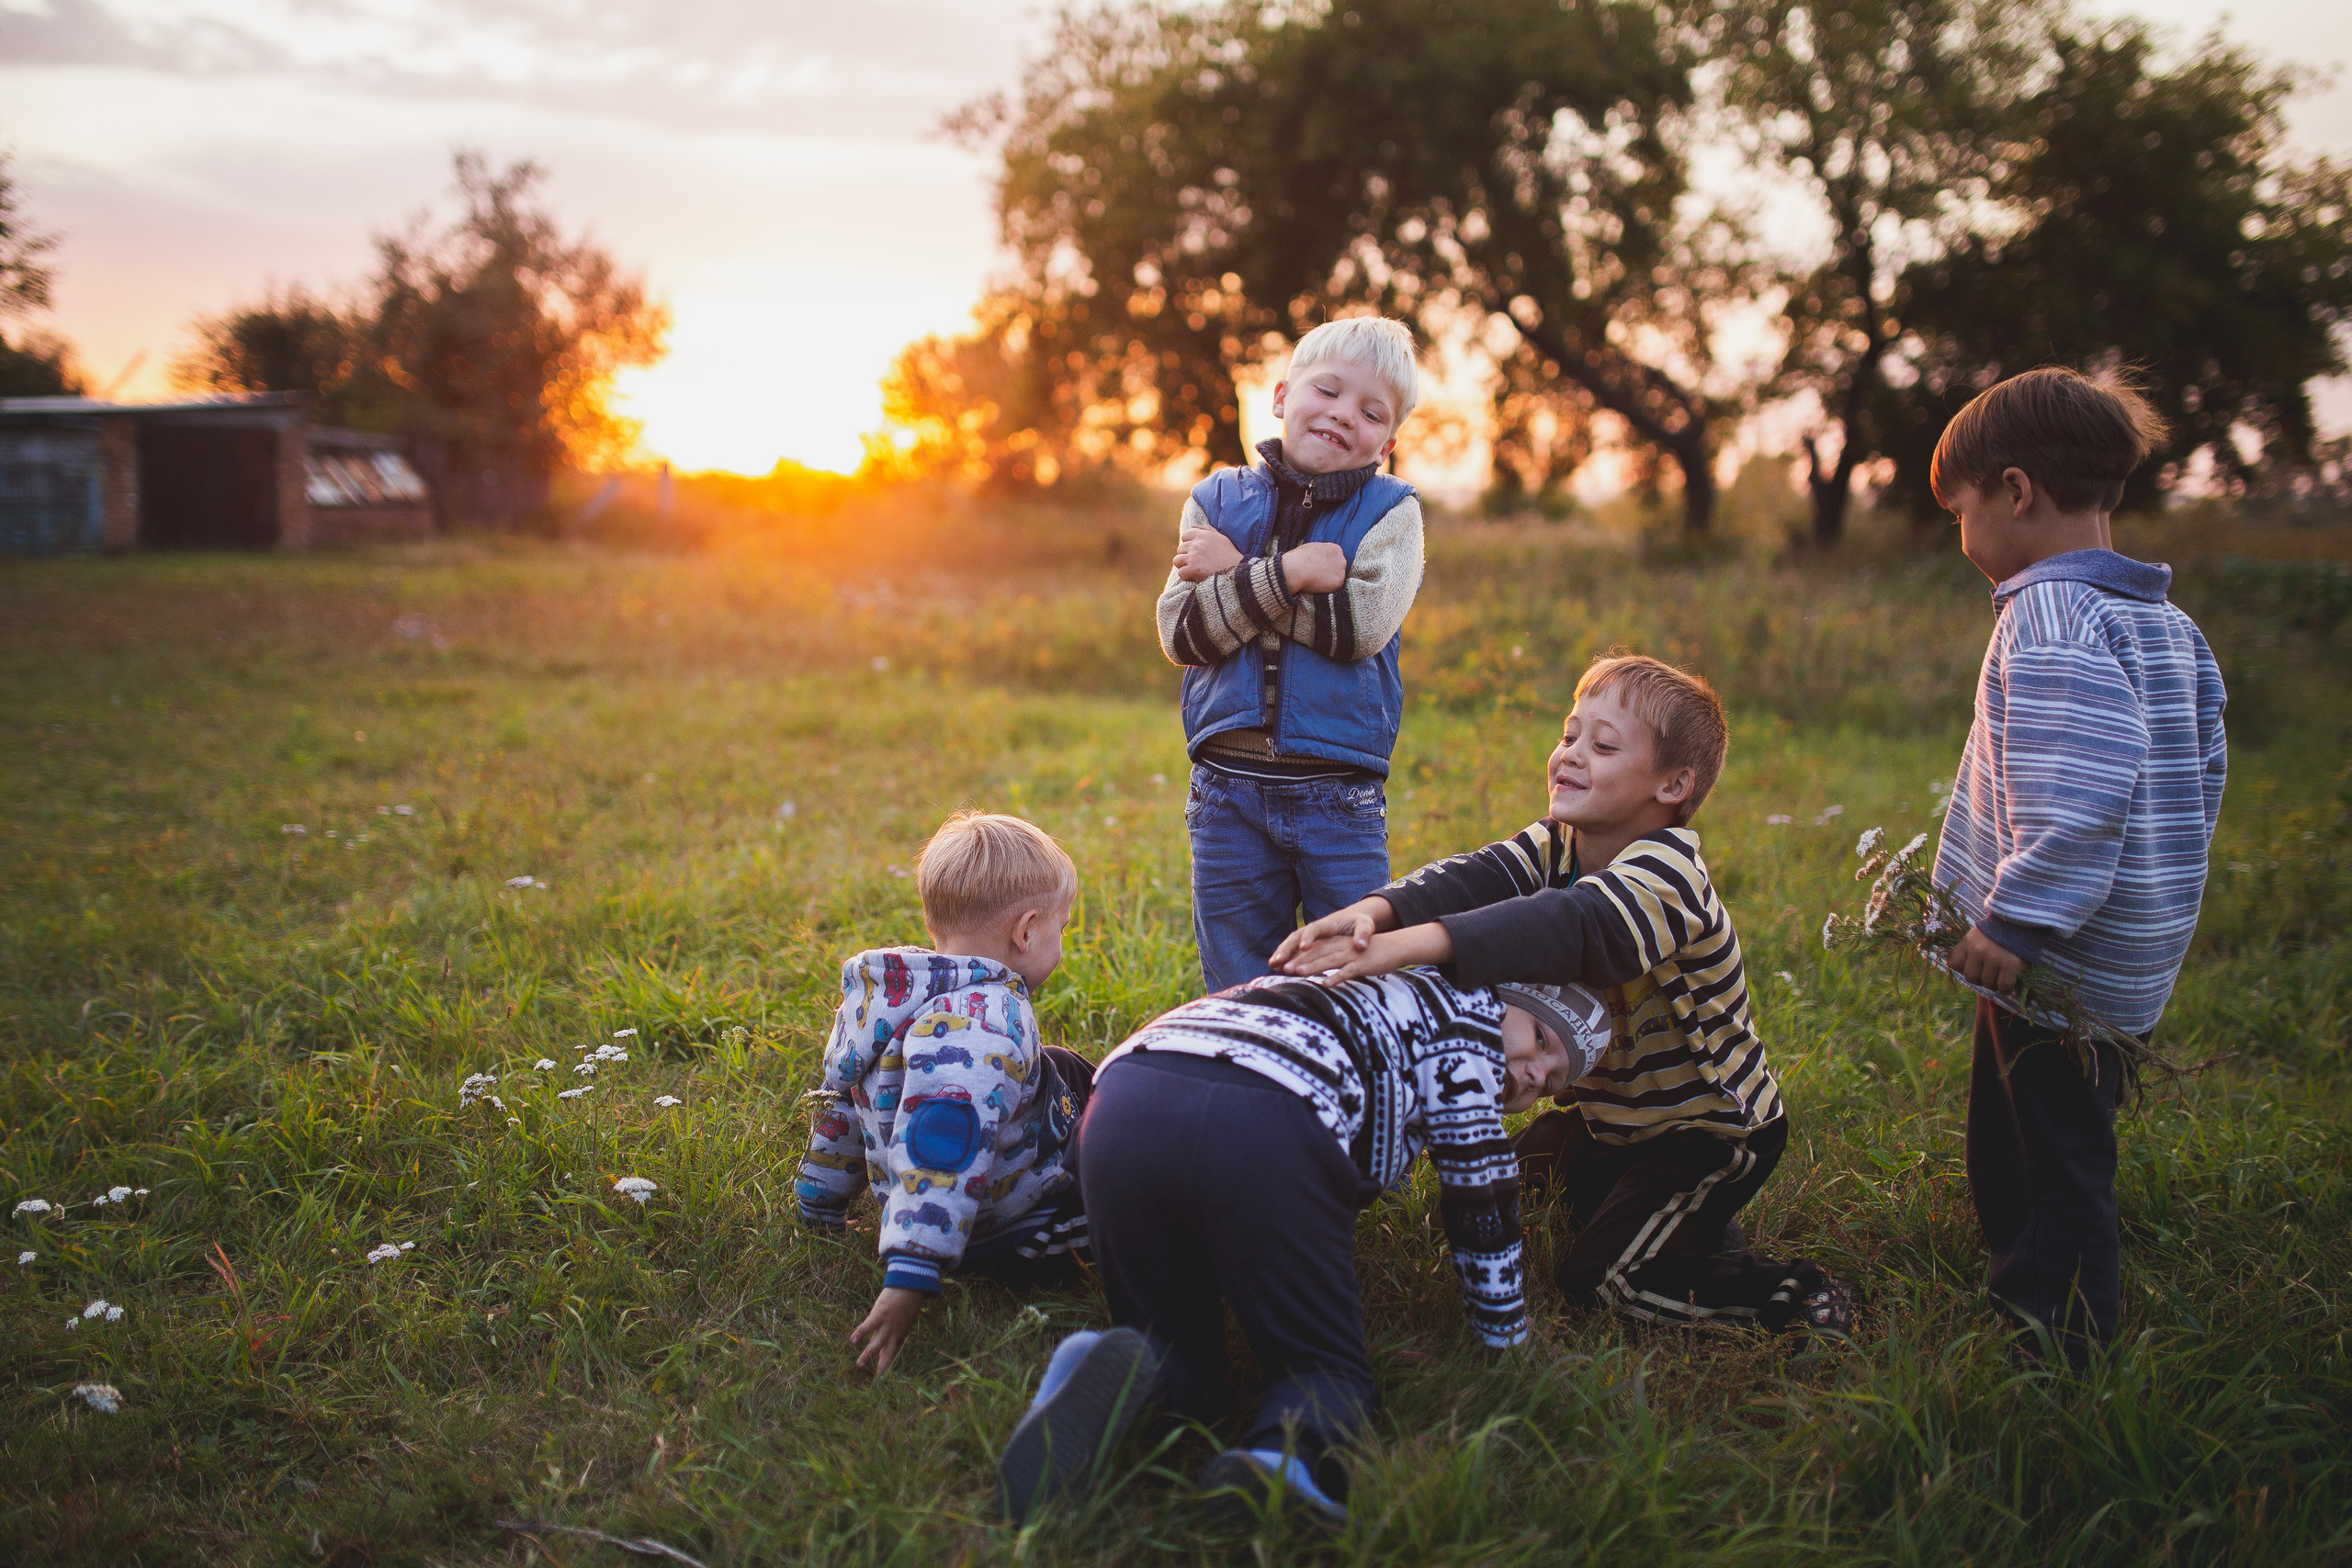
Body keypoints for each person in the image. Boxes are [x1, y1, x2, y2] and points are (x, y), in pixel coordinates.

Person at [1273, 654, 1859, 1336]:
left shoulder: (1671, 872)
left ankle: (1796, 1296)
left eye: (1603, 745)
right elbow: (1470, 879)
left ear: (1674, 783)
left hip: (1709, 1131)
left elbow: (1575, 928)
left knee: (1602, 1279)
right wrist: (1375, 912)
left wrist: (1402, 947)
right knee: (1488, 1191)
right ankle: (1664, 1220)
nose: (1572, 755)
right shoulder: (1557, 844)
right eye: (1569, 733)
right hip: (1609, 1122)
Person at [993, 969, 1590, 1529]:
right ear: (1506, 998)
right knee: (1328, 1373)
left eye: (1556, 1080)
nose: (1536, 1071)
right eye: (1539, 1036)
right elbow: (1483, 1198)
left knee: (1178, 1360)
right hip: (1266, 1114)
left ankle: (1093, 1356)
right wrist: (1507, 1342)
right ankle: (1280, 1461)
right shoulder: (1471, 1033)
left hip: (1124, 1095)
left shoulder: (1368, 979)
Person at [1928, 367, 2225, 1364]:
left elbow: (2079, 794)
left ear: (2015, 491)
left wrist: (2013, 922)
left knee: (2056, 1150)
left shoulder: (2049, 620)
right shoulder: (2166, 624)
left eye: (1960, 510)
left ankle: (2057, 1337)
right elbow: (2201, 770)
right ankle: (2017, 1258)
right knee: (2032, 1119)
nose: (1962, 536)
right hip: (2128, 935)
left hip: (2055, 947)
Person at [1157, 316, 1428, 992]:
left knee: (1354, 976)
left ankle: (1353, 1092)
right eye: (1328, 391)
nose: (1343, 415)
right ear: (1281, 396)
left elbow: (1359, 626)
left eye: (1370, 412)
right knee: (1239, 983)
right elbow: (1184, 632)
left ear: (1387, 443)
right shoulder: (1213, 500)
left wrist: (1238, 574)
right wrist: (1292, 571)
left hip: (1339, 795)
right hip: (1225, 793)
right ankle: (1254, 1089)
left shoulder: (1393, 513)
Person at [795, 810, 1094, 1374]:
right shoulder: (981, 1023)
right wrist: (913, 1269)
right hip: (1005, 1228)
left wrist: (821, 1200)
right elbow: (945, 1144)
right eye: (1063, 927)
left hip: (923, 1207)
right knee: (1132, 1196)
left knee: (1060, 1066)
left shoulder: (883, 1005)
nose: (1061, 941)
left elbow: (842, 1114)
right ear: (1026, 931)